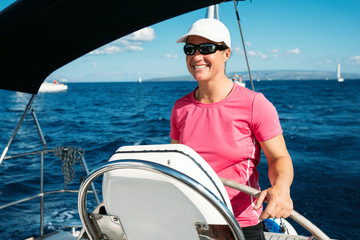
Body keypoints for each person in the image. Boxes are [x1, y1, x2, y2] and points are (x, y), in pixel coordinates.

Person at [170, 18, 294, 240]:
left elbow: (279, 158)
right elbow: (175, 163)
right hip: (191, 220)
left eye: (206, 48)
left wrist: (282, 188)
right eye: (190, 49)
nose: (196, 56)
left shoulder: (255, 104)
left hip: (240, 223)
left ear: (226, 54)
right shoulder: (180, 108)